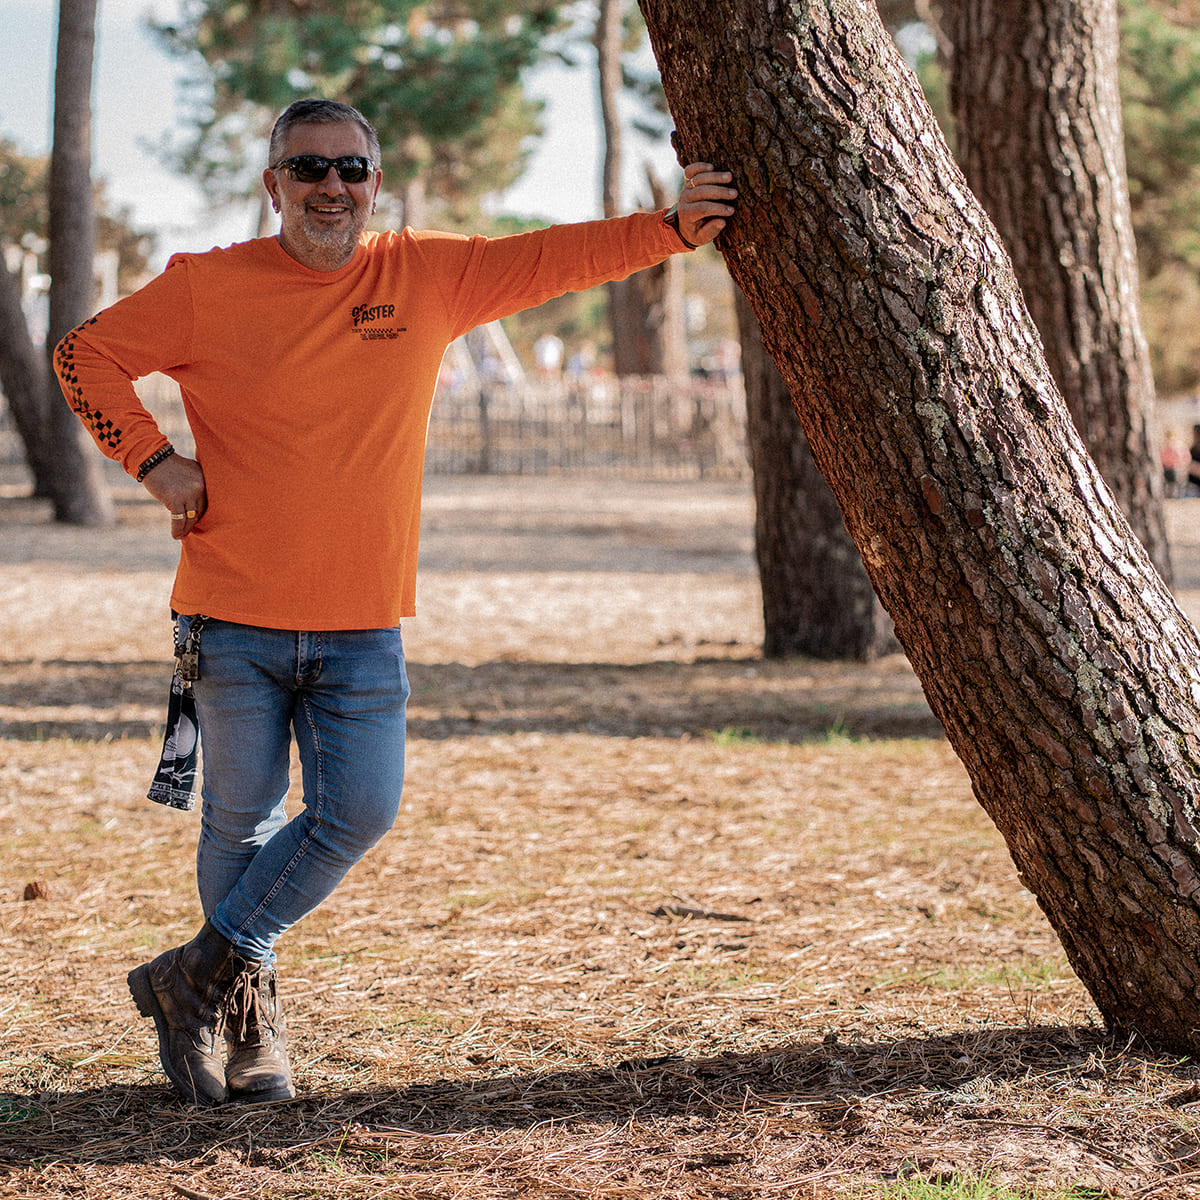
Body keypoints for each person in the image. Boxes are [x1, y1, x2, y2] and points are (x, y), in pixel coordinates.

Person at [54, 98, 737, 1106]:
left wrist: (670, 231)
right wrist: (155, 463)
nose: (331, 187)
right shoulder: (207, 287)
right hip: (230, 617)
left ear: (377, 181)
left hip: (364, 622)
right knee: (238, 825)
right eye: (308, 167)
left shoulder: (427, 272)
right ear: (272, 182)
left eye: (351, 168)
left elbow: (554, 257)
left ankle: (192, 974)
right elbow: (82, 354)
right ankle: (247, 1030)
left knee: (360, 809)